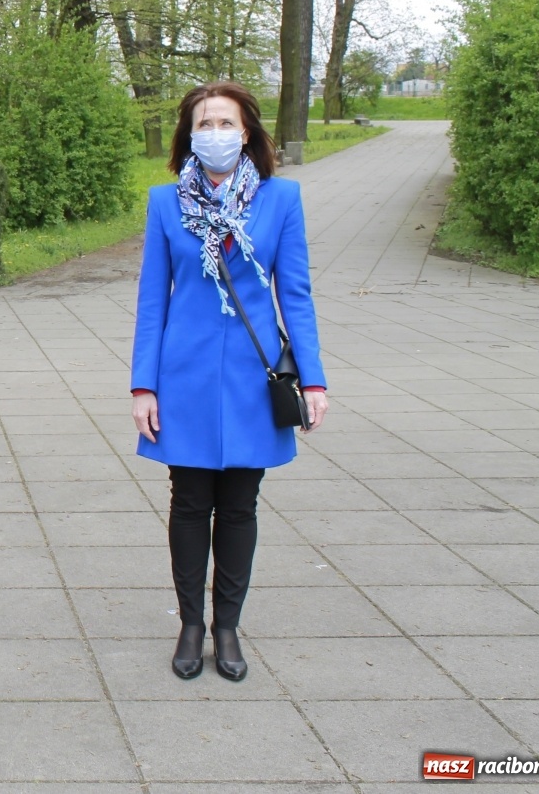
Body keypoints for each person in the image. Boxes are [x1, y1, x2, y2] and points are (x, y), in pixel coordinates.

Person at [130, 81, 329, 682]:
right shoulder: (166, 203)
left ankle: (227, 627)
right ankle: (191, 624)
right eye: (204, 123)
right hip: (183, 375)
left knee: (240, 506)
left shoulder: (281, 200)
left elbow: (293, 293)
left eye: (226, 123)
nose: (215, 132)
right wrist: (144, 385)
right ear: (190, 135)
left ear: (247, 133)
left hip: (252, 375)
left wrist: (313, 380)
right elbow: (151, 302)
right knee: (189, 503)